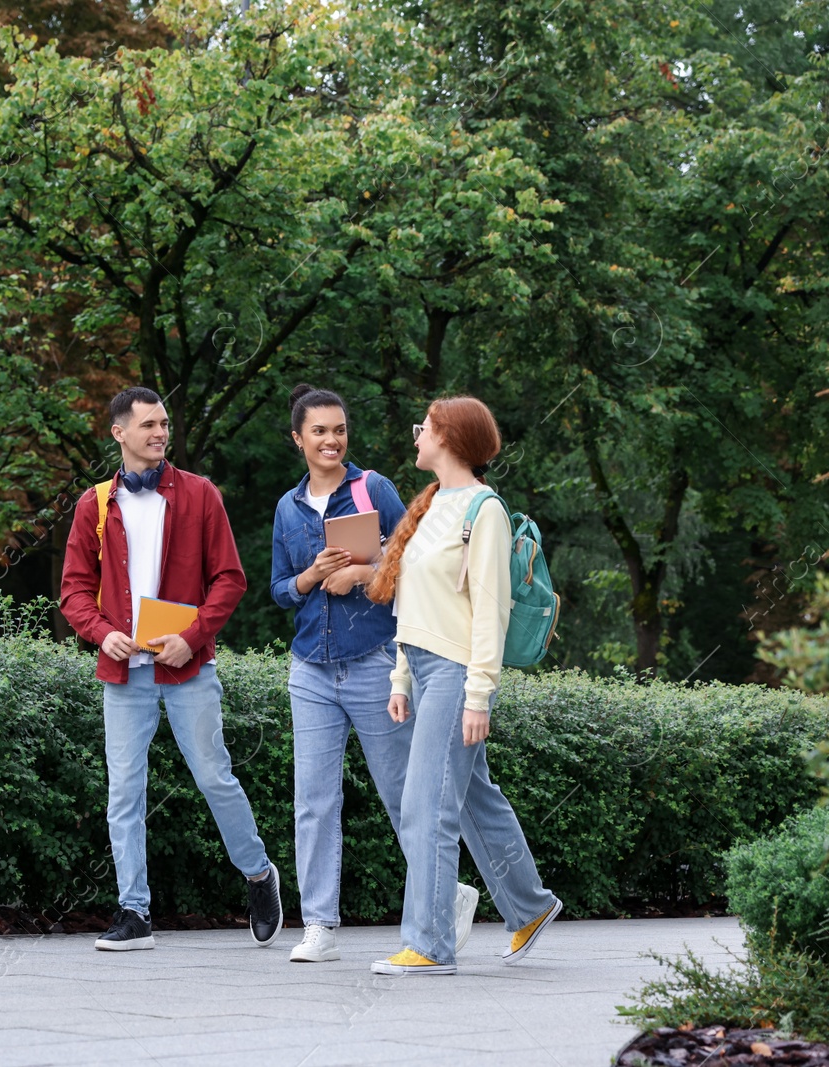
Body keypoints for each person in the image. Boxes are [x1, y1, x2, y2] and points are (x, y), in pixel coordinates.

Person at [61, 386, 283, 951]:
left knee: (214, 777)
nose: (160, 433)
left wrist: (192, 638)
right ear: (119, 433)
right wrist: (102, 632)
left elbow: (230, 580)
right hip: (123, 674)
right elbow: (74, 592)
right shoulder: (95, 504)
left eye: (164, 424)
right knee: (124, 793)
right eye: (148, 425)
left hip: (187, 669)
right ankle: (134, 913)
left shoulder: (201, 495)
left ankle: (258, 875)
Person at [271, 384, 478, 963]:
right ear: (299, 439)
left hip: (375, 663)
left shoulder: (376, 489)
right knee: (313, 800)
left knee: (402, 796)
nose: (332, 440)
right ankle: (318, 926)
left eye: (339, 429)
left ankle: (446, 896)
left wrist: (362, 569)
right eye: (319, 432)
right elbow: (280, 591)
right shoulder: (288, 508)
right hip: (310, 669)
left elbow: (413, 556)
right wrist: (311, 576)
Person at [365, 396, 564, 976]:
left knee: (426, 802)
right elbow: (412, 602)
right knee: (474, 796)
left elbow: (489, 613)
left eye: (422, 428)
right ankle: (530, 906)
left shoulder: (486, 510)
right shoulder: (429, 506)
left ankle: (429, 944)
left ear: (448, 437)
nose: (416, 436)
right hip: (425, 668)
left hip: (457, 672)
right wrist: (401, 675)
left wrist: (479, 695)